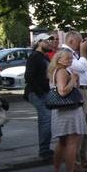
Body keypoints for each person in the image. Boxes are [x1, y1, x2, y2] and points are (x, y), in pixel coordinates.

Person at [48, 47, 87, 172]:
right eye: (67, 58)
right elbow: (62, 91)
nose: (70, 60)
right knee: (71, 142)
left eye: (71, 58)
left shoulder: (56, 70)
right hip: (68, 110)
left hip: (61, 111)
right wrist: (73, 80)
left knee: (62, 141)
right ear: (59, 59)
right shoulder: (62, 71)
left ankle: (57, 169)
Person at [64, 31, 87, 171]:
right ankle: (76, 161)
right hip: (77, 91)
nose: (81, 44)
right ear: (71, 40)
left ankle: (86, 159)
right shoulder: (65, 53)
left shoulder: (76, 53)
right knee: (80, 127)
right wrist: (83, 52)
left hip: (85, 90)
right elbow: (81, 67)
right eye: (79, 42)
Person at [23, 33, 54, 161]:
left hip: (43, 92)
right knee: (46, 118)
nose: (49, 43)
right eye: (47, 41)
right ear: (39, 42)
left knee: (47, 119)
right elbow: (28, 76)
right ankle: (44, 150)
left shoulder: (43, 57)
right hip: (36, 93)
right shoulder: (34, 57)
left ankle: (45, 148)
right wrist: (40, 92)